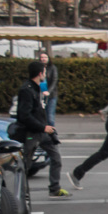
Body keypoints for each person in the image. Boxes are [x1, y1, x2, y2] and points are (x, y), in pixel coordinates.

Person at [15, 61, 67, 198]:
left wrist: (47, 127)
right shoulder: (26, 90)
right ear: (40, 74)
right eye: (44, 72)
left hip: (42, 131)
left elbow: (41, 109)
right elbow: (24, 115)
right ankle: (19, 191)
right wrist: (43, 126)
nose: (46, 74)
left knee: (56, 157)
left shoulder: (38, 88)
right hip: (32, 132)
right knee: (26, 163)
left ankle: (55, 188)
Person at [38, 50, 58, 126]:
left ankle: (52, 133)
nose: (43, 59)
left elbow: (54, 80)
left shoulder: (52, 68)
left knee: (50, 116)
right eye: (41, 57)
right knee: (41, 116)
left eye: (45, 57)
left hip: (51, 95)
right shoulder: (38, 68)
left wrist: (48, 91)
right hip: (40, 94)